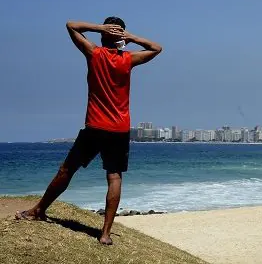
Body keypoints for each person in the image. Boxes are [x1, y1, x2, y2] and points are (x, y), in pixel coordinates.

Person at [15, 17, 162, 245]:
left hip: (95, 126)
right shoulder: (129, 59)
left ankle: (38, 211)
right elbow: (156, 48)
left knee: (67, 170)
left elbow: (70, 25)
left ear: (103, 36)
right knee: (114, 176)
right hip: (119, 129)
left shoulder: (94, 53)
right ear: (121, 39)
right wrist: (130, 37)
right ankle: (105, 234)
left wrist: (99, 28)